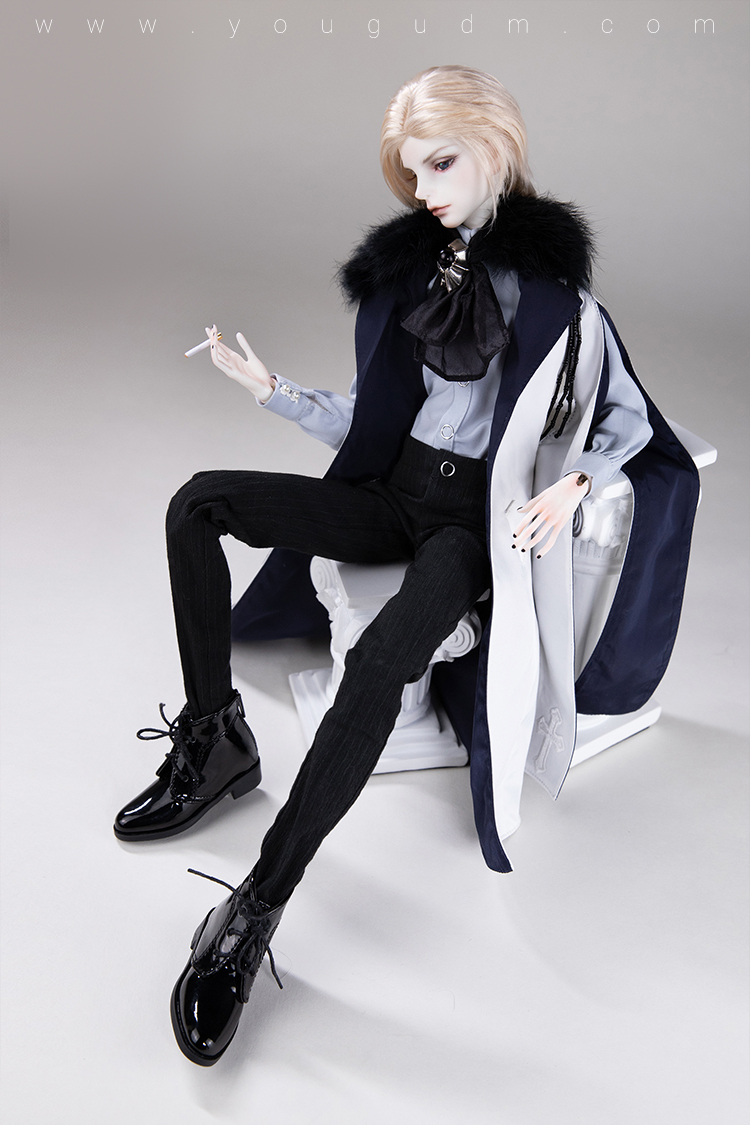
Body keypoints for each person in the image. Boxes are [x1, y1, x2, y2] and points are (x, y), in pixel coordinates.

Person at [113, 66, 699, 1066]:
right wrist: (273, 390)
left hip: (467, 529)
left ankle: (257, 904)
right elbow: (375, 417)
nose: (422, 189)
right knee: (197, 503)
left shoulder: (563, 305)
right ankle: (216, 741)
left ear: (496, 149)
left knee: (383, 658)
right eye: (409, 171)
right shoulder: (418, 275)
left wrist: (573, 485)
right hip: (391, 494)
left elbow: (629, 423)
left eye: (441, 163)